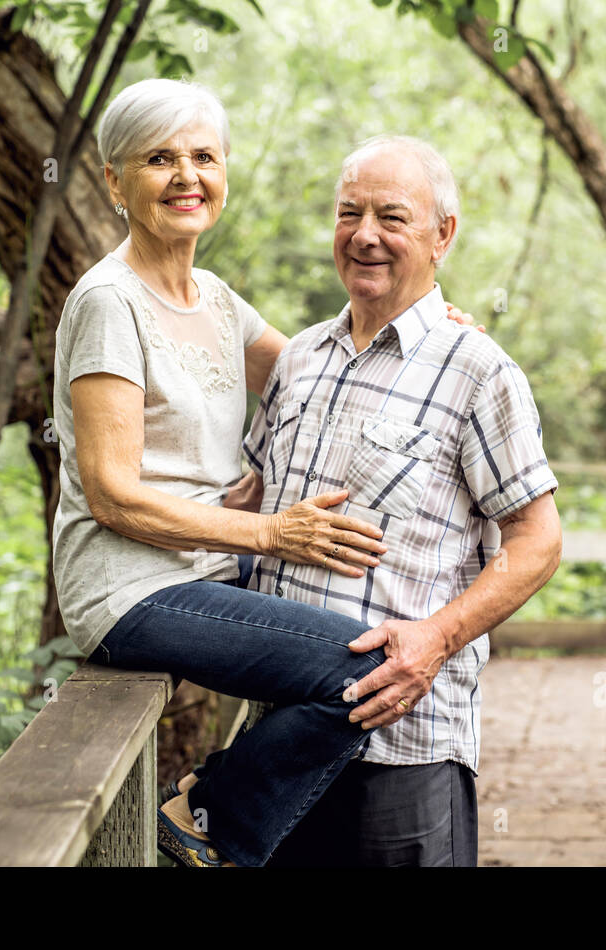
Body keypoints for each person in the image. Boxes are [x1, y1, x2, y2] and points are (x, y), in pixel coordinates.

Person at [51, 79, 473, 867]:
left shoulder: (212, 300)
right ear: (115, 181)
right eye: (159, 159)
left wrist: (431, 319)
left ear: (224, 172)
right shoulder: (109, 304)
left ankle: (350, 802)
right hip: (129, 588)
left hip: (206, 571)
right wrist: (273, 532)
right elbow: (111, 494)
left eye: (203, 157)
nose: (186, 177)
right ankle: (212, 819)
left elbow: (326, 365)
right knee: (376, 665)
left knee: (363, 632)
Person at [231, 135, 564, 866]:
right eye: (349, 214)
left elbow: (537, 541)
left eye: (393, 217)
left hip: (404, 744)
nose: (365, 236)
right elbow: (242, 506)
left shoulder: (479, 372)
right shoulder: (300, 361)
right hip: (278, 743)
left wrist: (437, 639)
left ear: (443, 235)